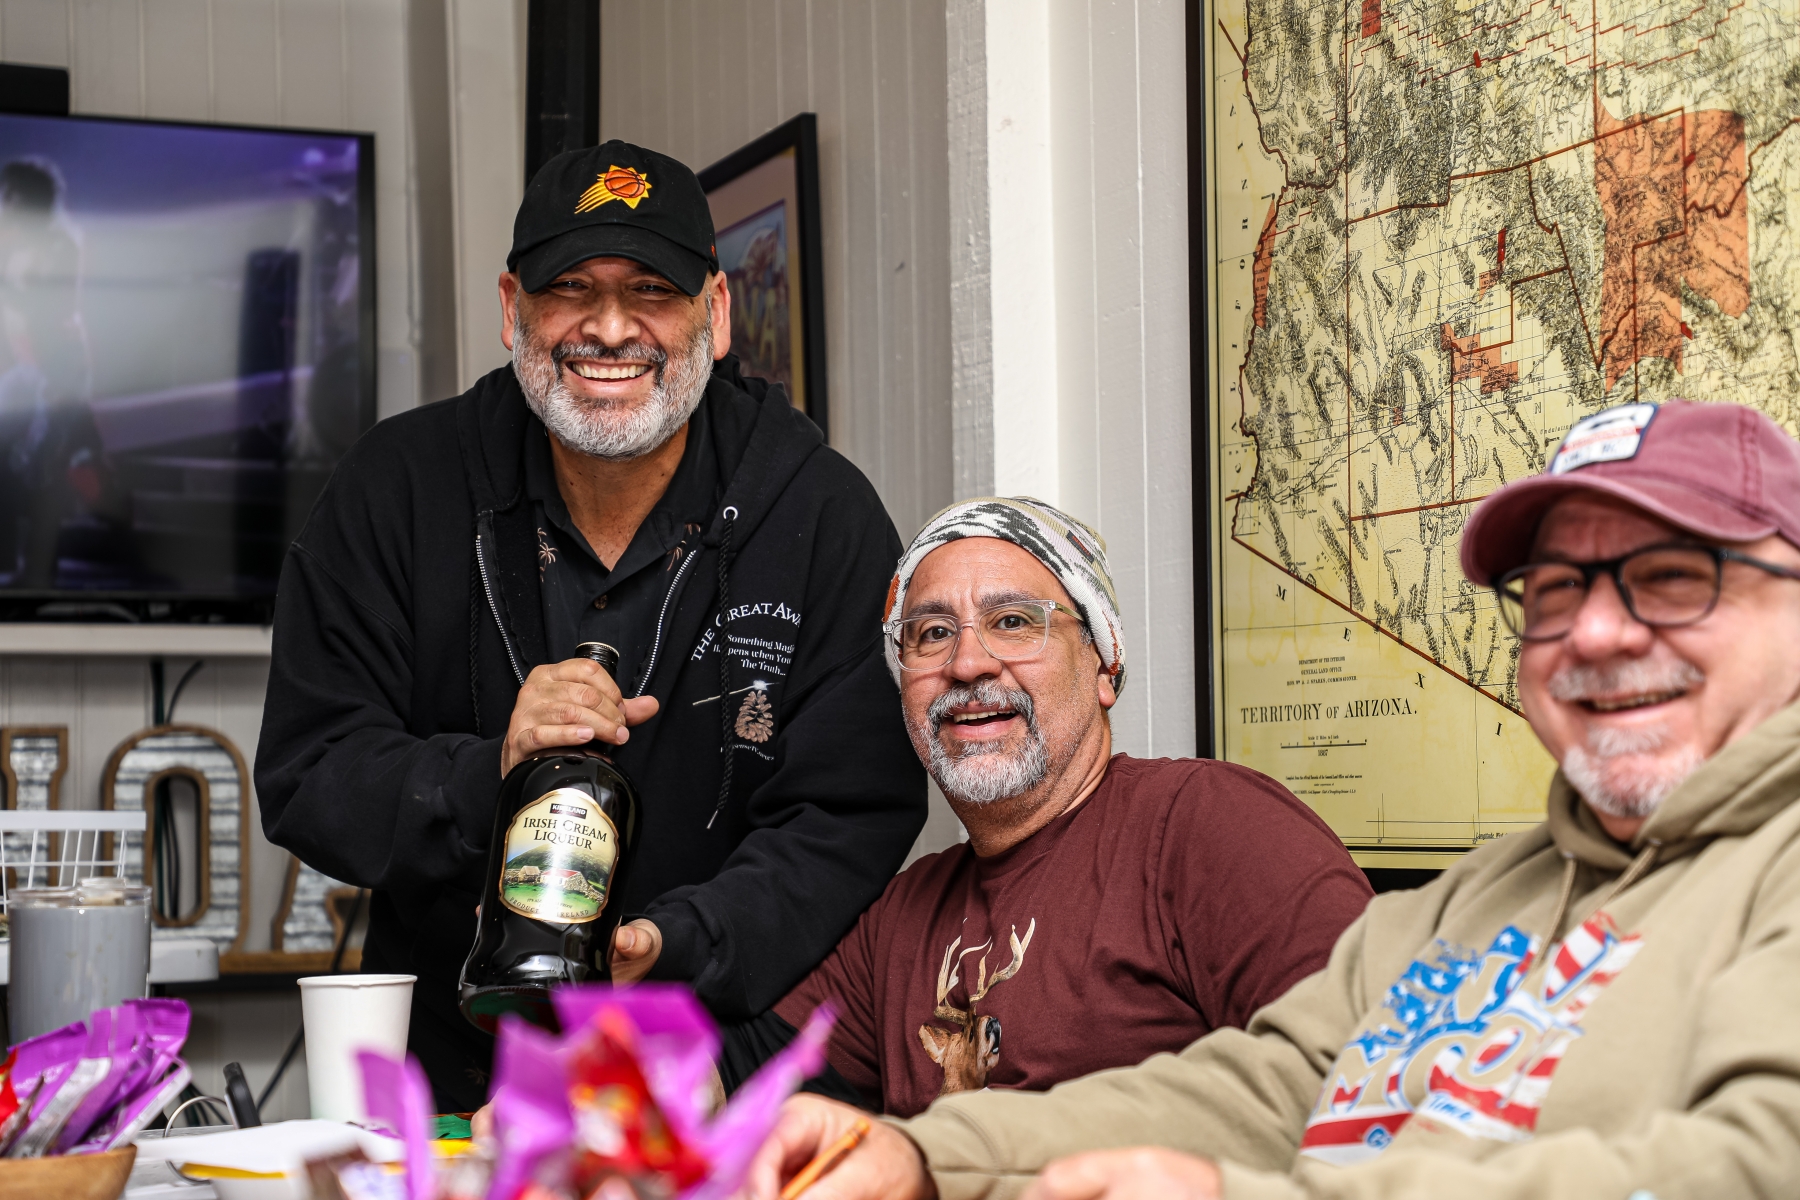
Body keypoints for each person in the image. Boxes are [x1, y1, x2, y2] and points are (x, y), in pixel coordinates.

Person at [747, 399, 1800, 1200]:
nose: (1599, 632)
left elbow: (1757, 1164)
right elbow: (1280, 1080)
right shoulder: (1475, 901)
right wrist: (926, 1157)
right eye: (1559, 590)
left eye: (1673, 576)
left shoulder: (1777, 869)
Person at [254, 140, 926, 1109]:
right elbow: (309, 772)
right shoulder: (393, 489)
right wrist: (487, 770)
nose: (610, 327)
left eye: (652, 290)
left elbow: (850, 814)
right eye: (571, 287)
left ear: (717, 313)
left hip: (716, 1073)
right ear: (511, 308)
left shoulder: (820, 514)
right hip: (452, 1078)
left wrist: (675, 943)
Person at [718, 497, 1373, 1116]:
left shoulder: (1210, 826)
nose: (967, 663)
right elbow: (729, 1083)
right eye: (933, 633)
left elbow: (1375, 1082)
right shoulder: (899, 918)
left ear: (1105, 665)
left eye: (1013, 622)